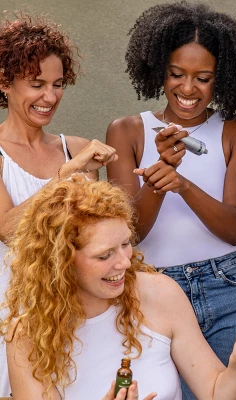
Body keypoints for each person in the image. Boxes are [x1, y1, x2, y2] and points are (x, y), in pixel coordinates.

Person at [0, 176, 236, 400]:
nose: (125, 262)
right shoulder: (27, 336)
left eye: (125, 244)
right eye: (105, 255)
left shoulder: (159, 293)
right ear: (61, 263)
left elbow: (217, 394)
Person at [106, 3, 236, 397]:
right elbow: (130, 234)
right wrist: (161, 175)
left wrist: (183, 184)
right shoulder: (127, 132)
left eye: (203, 78)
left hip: (227, 289)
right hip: (152, 291)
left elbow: (234, 229)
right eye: (176, 74)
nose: (188, 88)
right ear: (159, 69)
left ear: (221, 79)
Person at [0, 12, 117, 396]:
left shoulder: (77, 148)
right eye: (36, 84)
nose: (49, 97)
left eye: (57, 84)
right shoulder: (71, 161)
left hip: (72, 317)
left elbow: (94, 240)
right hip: (10, 315)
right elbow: (8, 229)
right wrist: (66, 175)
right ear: (4, 82)